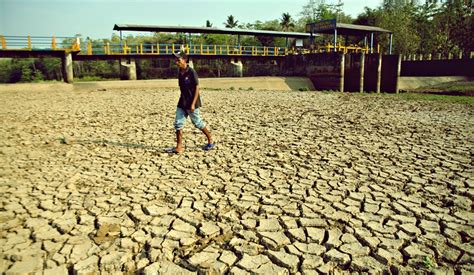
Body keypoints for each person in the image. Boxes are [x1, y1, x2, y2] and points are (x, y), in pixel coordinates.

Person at [172, 51, 214, 153]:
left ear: (184, 60)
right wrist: (183, 101)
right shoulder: (180, 72)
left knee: (198, 123)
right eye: (175, 59)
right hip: (182, 102)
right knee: (178, 123)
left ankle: (210, 140)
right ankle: (179, 146)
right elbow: (182, 88)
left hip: (192, 102)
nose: (176, 61)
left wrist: (192, 104)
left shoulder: (191, 72)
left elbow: (197, 88)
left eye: (178, 59)